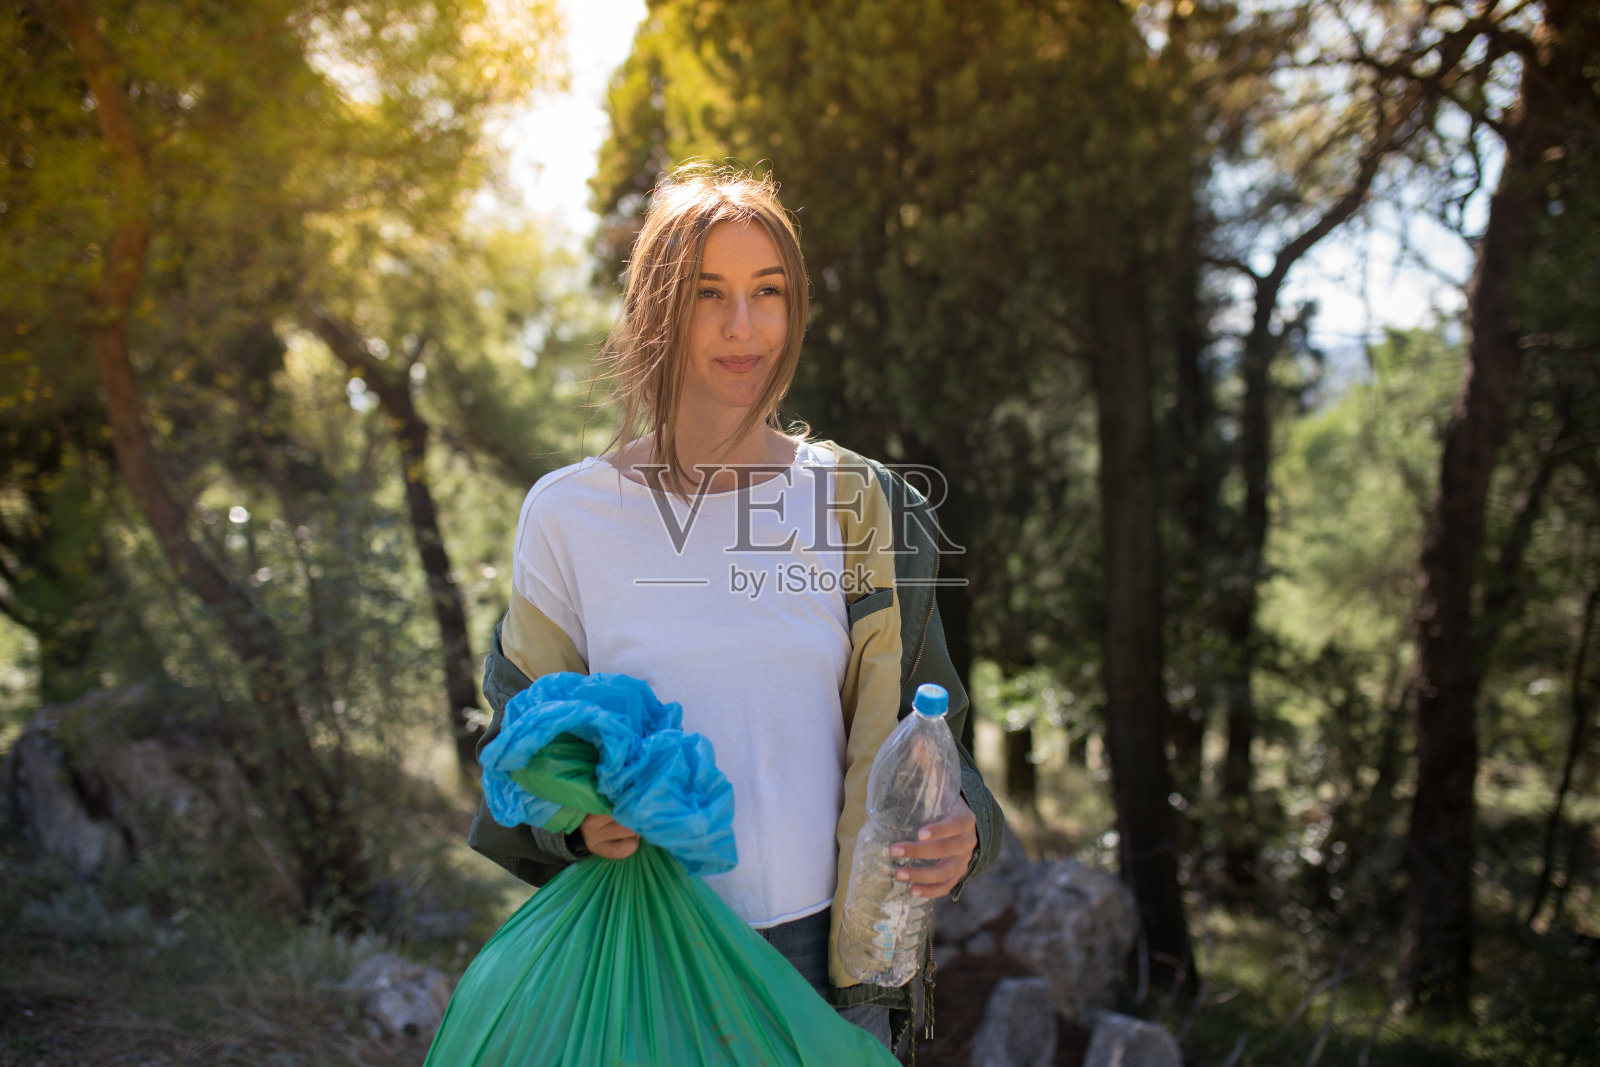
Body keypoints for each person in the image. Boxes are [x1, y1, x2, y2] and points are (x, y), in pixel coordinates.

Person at [467, 162, 1003, 1054]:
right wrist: (578, 822)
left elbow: (931, 723)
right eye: (707, 293)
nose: (743, 326)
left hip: (832, 973)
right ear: (654, 310)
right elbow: (519, 751)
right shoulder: (566, 514)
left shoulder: (862, 503)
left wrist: (963, 825)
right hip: (646, 954)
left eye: (769, 291)